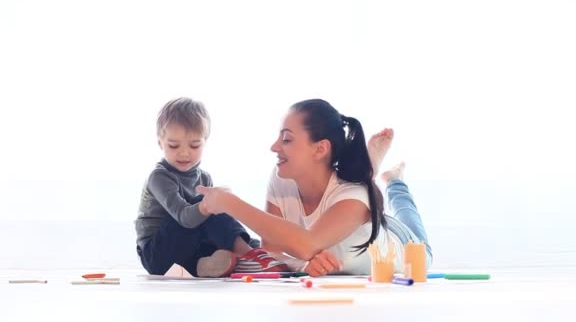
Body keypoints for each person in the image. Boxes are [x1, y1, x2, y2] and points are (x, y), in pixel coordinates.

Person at [196, 99, 432, 277]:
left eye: (286, 139)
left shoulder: (353, 197)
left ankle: (394, 182)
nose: (274, 146)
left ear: (320, 149)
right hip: (353, 219)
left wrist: (229, 202)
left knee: (409, 221)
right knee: (361, 189)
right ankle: (369, 171)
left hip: (404, 245)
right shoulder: (281, 178)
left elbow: (306, 244)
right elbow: (272, 251)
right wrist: (304, 264)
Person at [135, 97, 287, 277]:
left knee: (215, 218)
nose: (184, 152)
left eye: (194, 145)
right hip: (157, 255)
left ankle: (211, 263)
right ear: (160, 143)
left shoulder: (204, 177)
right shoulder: (159, 177)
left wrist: (216, 205)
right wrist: (210, 204)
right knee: (208, 203)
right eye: (174, 145)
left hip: (186, 252)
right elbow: (185, 217)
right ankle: (249, 254)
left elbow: (210, 227)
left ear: (205, 142)